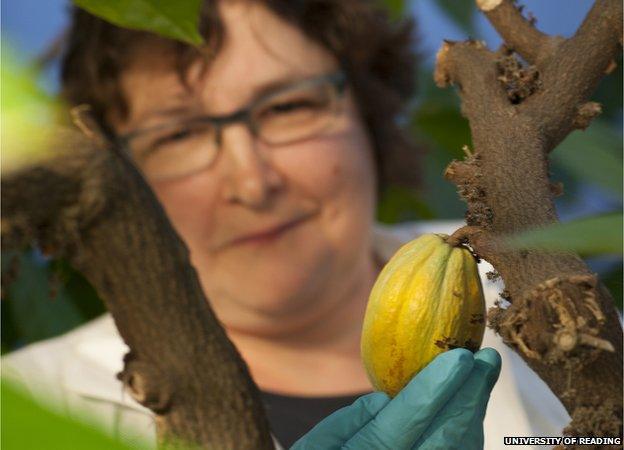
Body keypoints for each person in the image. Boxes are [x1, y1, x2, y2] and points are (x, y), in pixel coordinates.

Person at [2, 1, 571, 449]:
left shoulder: (541, 281)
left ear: (367, 115)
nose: (252, 182)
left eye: (286, 107)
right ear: (120, 177)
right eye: (179, 135)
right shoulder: (25, 405)